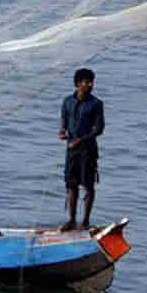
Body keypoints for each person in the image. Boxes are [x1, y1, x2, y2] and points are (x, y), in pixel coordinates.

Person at [59, 67, 104, 230]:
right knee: (71, 184)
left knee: (88, 184)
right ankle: (71, 220)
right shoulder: (67, 101)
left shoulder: (96, 104)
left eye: (92, 82)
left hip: (88, 150)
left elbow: (99, 129)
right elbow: (64, 121)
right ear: (78, 84)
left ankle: (85, 221)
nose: (91, 85)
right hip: (71, 150)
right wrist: (62, 132)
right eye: (87, 82)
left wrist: (80, 140)